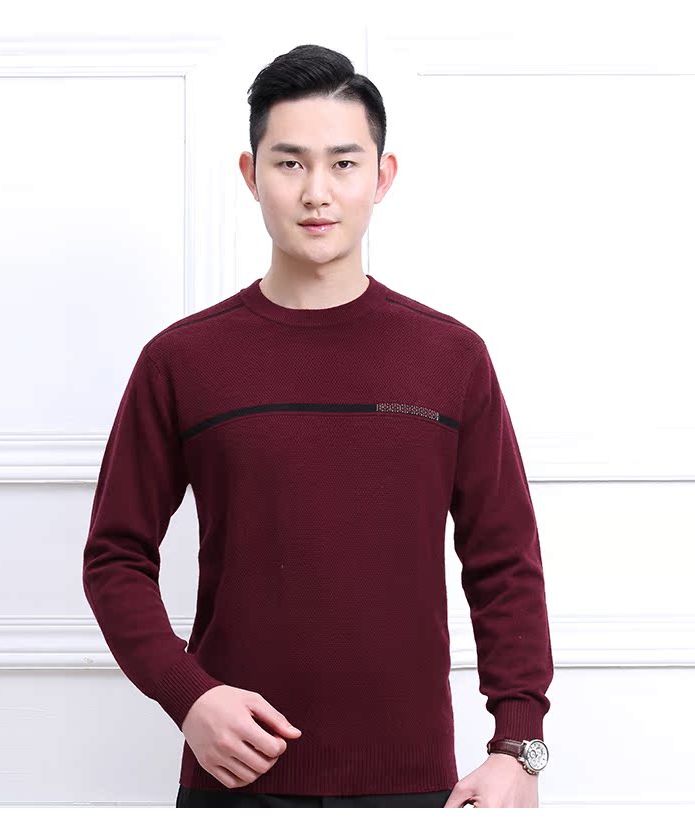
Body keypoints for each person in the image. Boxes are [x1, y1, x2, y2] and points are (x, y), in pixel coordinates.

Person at [82, 44, 554, 809]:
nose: (316, 192)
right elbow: (114, 557)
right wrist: (188, 695)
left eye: (343, 163)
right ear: (251, 174)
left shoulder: (450, 357)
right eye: (290, 163)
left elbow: (504, 561)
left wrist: (518, 746)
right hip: (235, 782)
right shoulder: (182, 360)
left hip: (413, 787)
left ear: (382, 176)